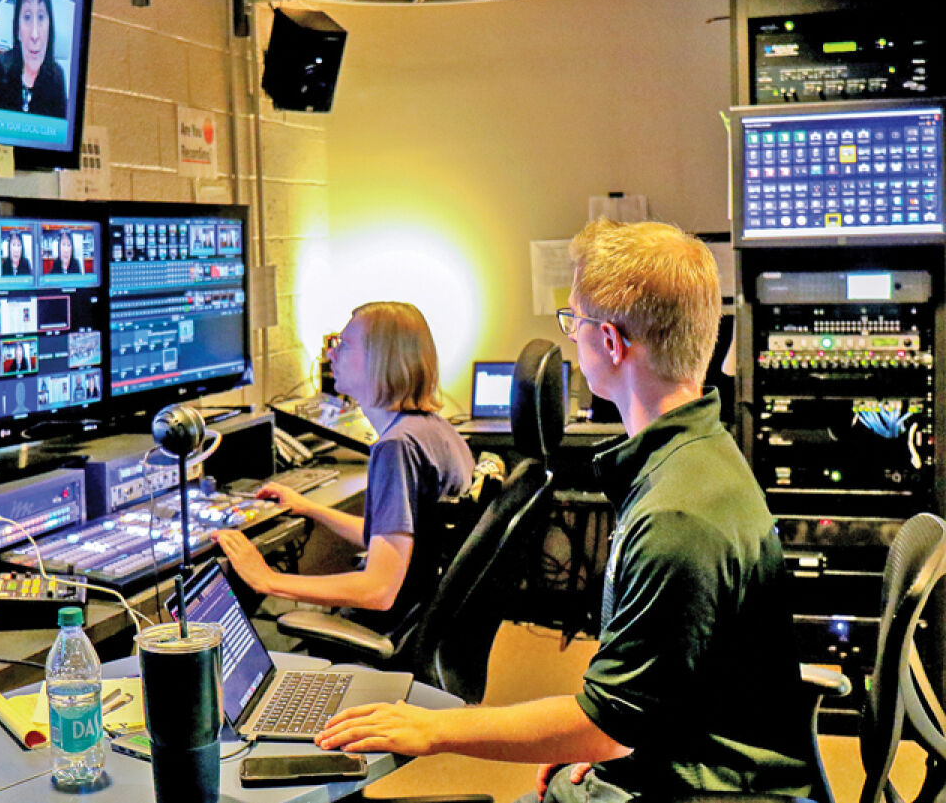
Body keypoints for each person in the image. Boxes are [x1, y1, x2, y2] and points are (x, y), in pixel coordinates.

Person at [314, 221, 813, 802]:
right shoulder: (696, 455)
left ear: (611, 343)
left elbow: (603, 725)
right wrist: (612, 738)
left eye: (574, 323)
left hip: (707, 788)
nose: (571, 340)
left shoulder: (677, 516)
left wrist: (433, 728)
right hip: (672, 754)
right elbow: (646, 695)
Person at [214, 301, 474, 635]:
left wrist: (268, 579)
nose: (330, 356)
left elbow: (378, 590)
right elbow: (391, 538)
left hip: (389, 627)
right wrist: (310, 508)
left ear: (382, 360)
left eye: (344, 345)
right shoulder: (435, 429)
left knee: (247, 626)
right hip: (419, 619)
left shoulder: (395, 448)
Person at [0, 0, 67, 117]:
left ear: (50, 26)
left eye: (41, 17)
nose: (35, 35)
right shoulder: (4, 67)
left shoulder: (57, 78)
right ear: (17, 27)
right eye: (27, 17)